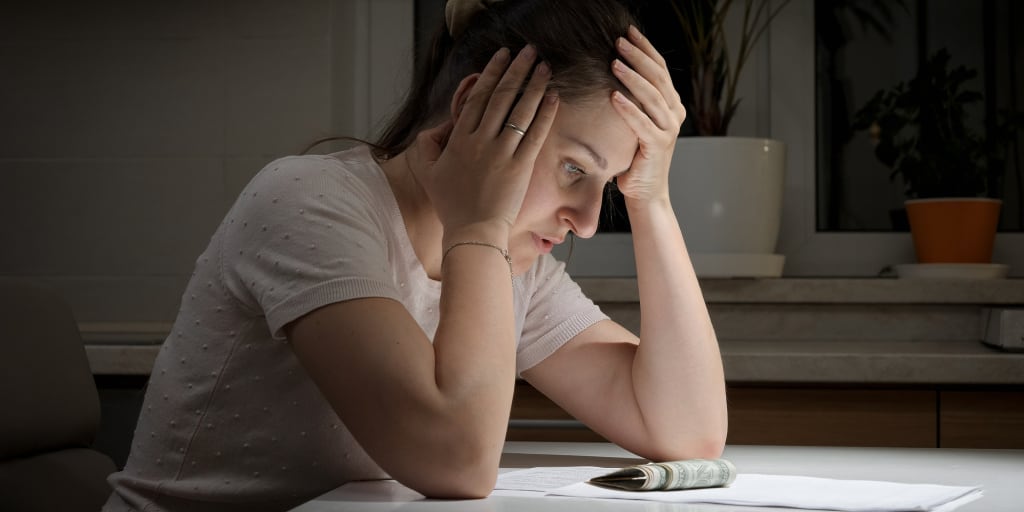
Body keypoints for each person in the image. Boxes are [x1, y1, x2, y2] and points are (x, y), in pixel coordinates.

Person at [102, 0, 727, 509]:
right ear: (475, 111)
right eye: (573, 168)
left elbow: (689, 435)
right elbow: (455, 462)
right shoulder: (309, 202)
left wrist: (651, 200)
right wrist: (478, 223)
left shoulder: (511, 263)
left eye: (608, 184)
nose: (588, 223)